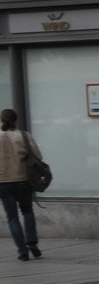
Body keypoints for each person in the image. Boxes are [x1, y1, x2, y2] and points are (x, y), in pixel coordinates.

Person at [0, 109, 42, 262]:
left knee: (12, 217)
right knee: (27, 211)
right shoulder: (23, 136)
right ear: (16, 120)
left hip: (3, 183)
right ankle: (31, 242)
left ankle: (22, 252)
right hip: (23, 180)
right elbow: (38, 156)